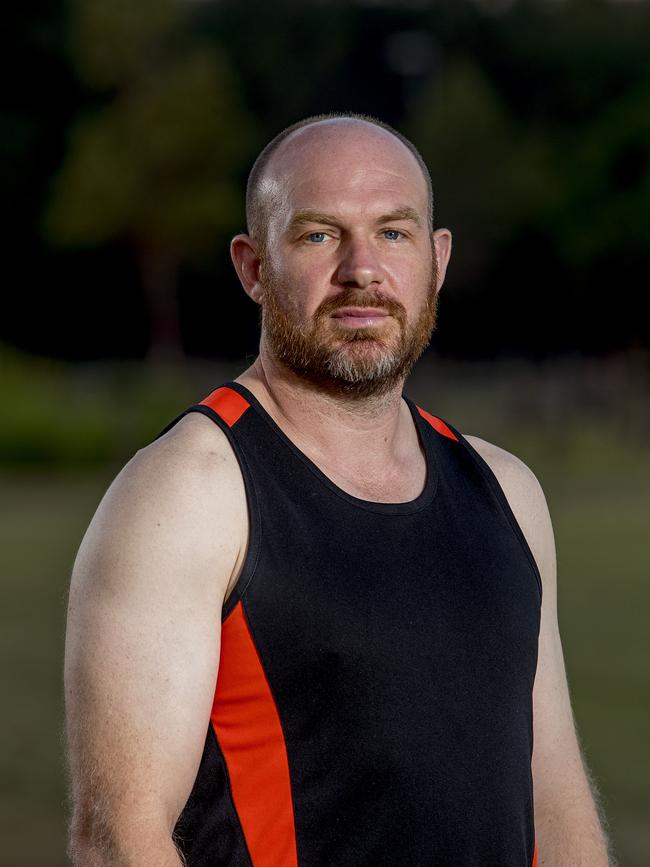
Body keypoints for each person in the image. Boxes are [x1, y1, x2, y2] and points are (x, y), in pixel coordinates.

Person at [64, 112, 613, 866]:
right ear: (253, 267)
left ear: (437, 257)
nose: (363, 269)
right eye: (319, 234)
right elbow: (118, 839)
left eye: (393, 232)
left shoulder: (506, 490)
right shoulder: (187, 493)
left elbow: (555, 796)